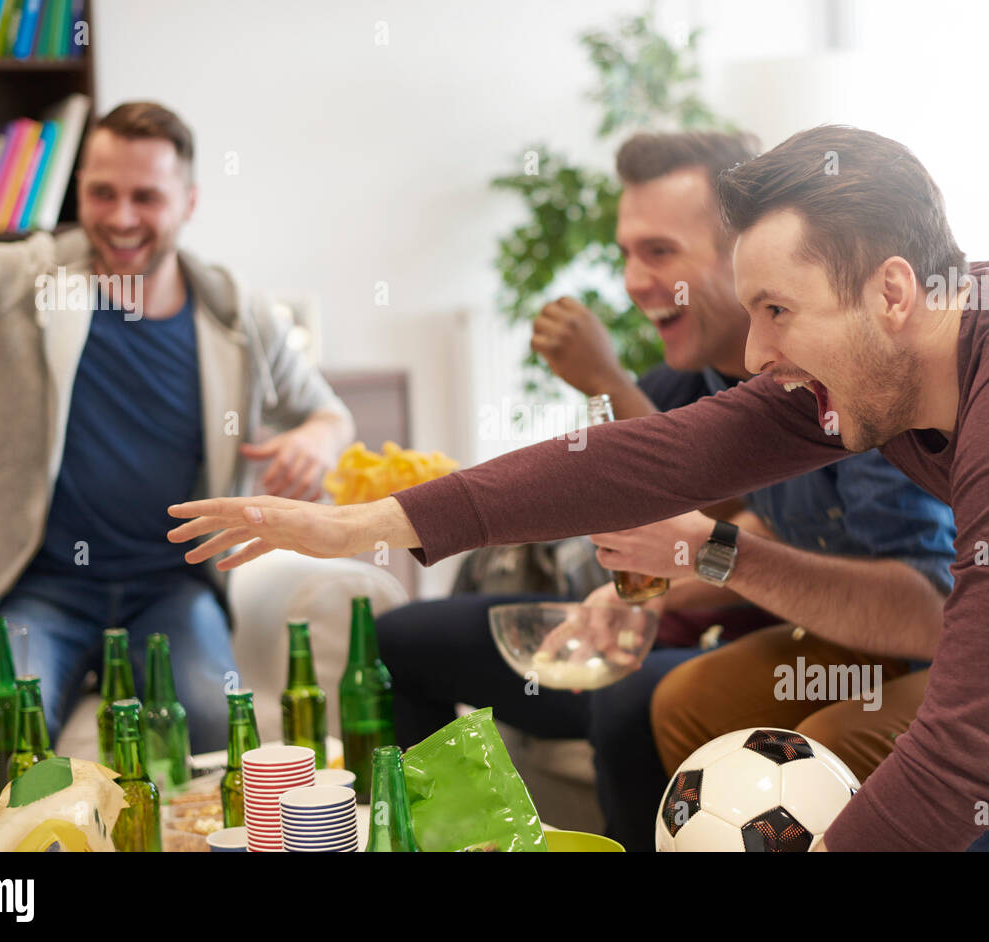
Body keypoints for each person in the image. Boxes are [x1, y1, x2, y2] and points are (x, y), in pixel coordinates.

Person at [169, 123, 989, 852]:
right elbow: (648, 462)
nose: (756, 350)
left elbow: (965, 746)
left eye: (778, 310)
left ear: (889, 290)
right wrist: (365, 525)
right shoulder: (878, 362)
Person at [372, 130, 958, 851]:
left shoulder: (854, 377)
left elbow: (717, 523)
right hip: (794, 627)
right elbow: (708, 505)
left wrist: (695, 547)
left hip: (898, 640)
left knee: (641, 699)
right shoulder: (714, 377)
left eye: (659, 251)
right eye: (626, 252)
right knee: (400, 638)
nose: (632, 279)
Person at [0, 57, 353, 796]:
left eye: (147, 196)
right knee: (8, 731)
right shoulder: (32, 276)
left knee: (212, 731)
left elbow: (329, 412)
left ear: (189, 201)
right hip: (42, 589)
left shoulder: (236, 314)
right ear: (80, 191)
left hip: (172, 589)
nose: (122, 217)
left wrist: (316, 438)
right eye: (102, 193)